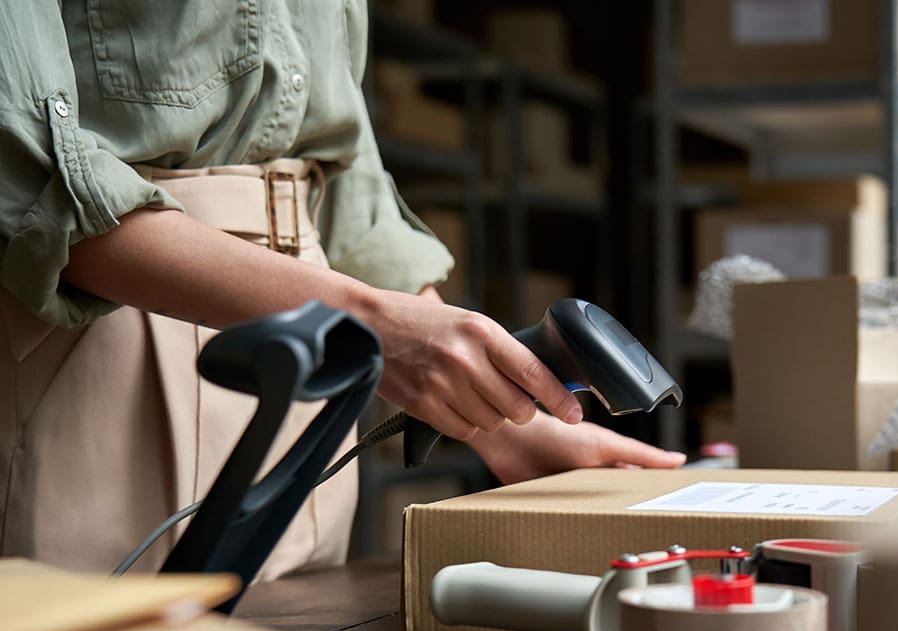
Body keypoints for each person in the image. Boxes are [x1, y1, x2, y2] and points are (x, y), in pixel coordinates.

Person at [0, 1, 685, 580]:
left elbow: (350, 191)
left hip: (321, 364)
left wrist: (506, 419)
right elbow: (25, 174)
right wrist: (374, 326)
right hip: (115, 333)